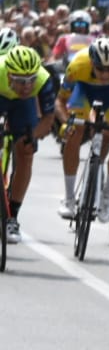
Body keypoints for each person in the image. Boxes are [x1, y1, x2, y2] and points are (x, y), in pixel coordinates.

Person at [55, 37, 109, 221]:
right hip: (84, 91)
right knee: (74, 133)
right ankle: (69, 199)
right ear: (92, 62)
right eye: (100, 69)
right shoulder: (77, 66)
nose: (105, 75)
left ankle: (107, 196)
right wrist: (66, 123)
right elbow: (60, 101)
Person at [0, 47, 60, 241]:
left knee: (26, 152)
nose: (27, 86)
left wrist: (31, 137)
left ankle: (12, 217)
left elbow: (48, 120)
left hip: (22, 105)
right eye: (20, 81)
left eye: (30, 80)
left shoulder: (43, 80)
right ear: (9, 75)